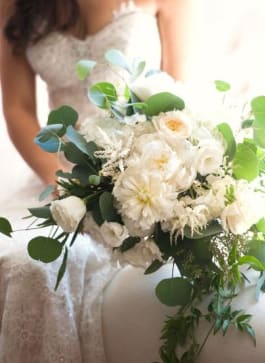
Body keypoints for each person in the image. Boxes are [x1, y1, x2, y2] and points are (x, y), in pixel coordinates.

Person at [0, 1, 199, 362]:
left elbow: (178, 96)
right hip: (56, 176)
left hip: (137, 177)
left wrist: (146, 176)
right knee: (16, 257)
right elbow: (17, 107)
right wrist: (60, 180)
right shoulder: (14, 5)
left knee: (41, 265)